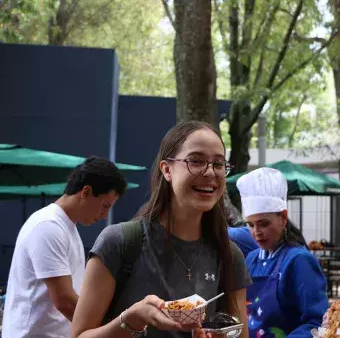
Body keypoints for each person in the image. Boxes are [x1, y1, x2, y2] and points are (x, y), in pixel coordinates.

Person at [71, 121, 252, 338]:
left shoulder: (230, 256)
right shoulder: (119, 242)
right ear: (167, 169)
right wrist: (132, 320)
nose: (210, 172)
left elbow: (239, 334)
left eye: (219, 164)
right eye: (196, 161)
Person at [2, 156, 127, 338]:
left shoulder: (66, 227)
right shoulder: (48, 226)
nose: (104, 215)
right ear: (86, 192)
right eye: (105, 205)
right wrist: (109, 329)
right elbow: (64, 300)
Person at [236, 167, 329, 338]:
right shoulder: (251, 259)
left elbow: (317, 322)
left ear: (283, 218)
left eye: (264, 223)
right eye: (250, 225)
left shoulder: (299, 260)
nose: (257, 232)